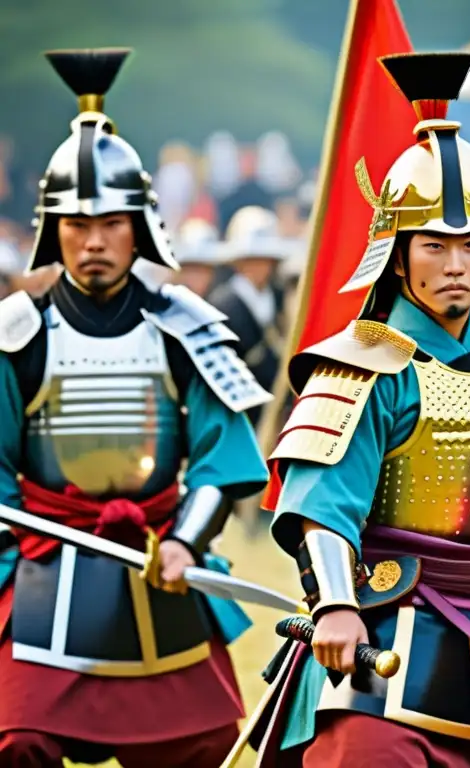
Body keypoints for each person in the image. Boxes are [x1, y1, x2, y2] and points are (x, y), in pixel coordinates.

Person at [252, 51, 470, 767]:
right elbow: (320, 503)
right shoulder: (364, 362)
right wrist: (334, 604)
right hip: (387, 628)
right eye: (434, 245)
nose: (455, 264)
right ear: (400, 255)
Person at [0, 48, 271, 767]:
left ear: (141, 227)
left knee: (209, 739)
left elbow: (222, 455)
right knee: (18, 739)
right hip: (42, 558)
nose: (94, 242)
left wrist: (185, 538)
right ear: (51, 228)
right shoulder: (17, 334)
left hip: (162, 555)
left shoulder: (186, 329)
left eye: (112, 223)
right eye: (77, 224)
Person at [208, 205, 290, 419]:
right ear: (238, 261)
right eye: (251, 259)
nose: (258, 267)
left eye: (264, 259)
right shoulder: (223, 305)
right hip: (241, 411)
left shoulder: (281, 299)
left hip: (278, 408)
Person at [172, 217, 229, 299]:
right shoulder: (159, 306)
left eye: (201, 270)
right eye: (188, 269)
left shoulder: (223, 306)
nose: (194, 279)